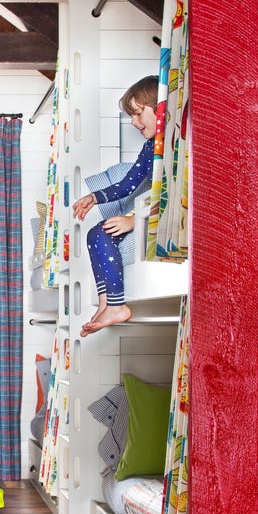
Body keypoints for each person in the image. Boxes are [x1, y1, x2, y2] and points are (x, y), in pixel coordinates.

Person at [71, 74, 159, 336]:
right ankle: (106, 303)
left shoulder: (177, 146)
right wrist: (94, 197)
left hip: (159, 216)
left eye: (138, 113)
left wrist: (135, 221)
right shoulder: (150, 148)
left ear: (159, 108)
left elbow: (175, 195)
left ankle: (117, 305)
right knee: (96, 233)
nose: (133, 122)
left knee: (107, 231)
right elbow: (127, 185)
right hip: (149, 211)